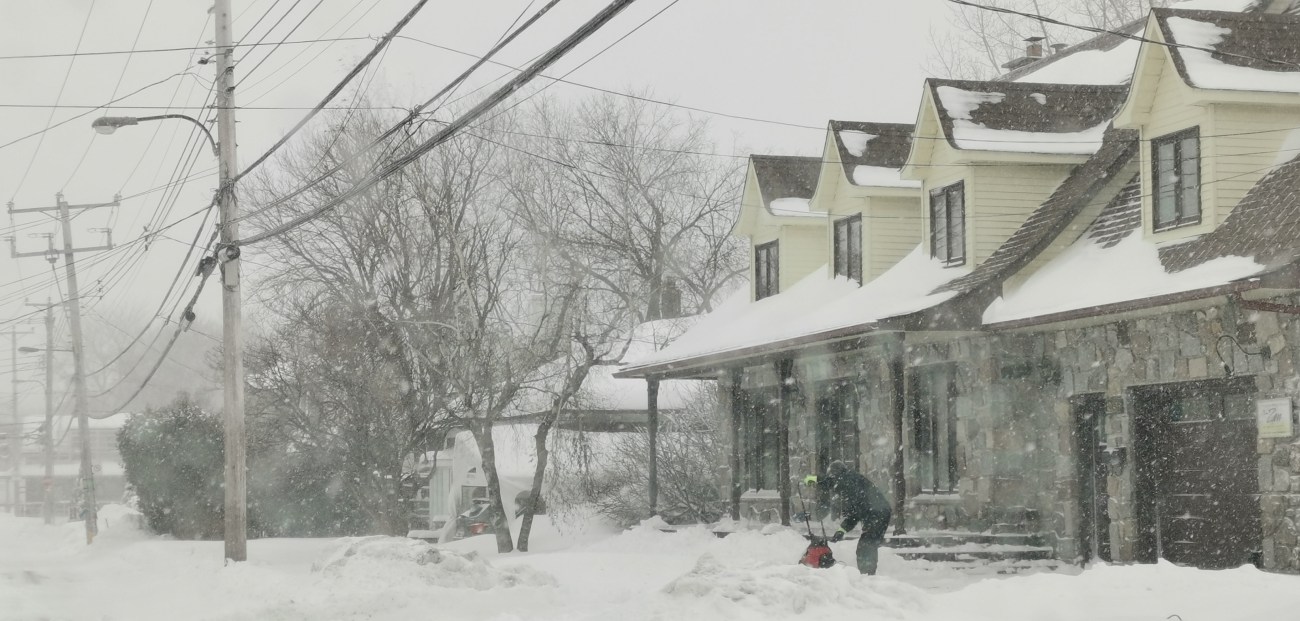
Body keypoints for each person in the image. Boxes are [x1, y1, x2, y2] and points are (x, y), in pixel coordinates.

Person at [803, 460, 892, 575]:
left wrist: (842, 530)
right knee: (868, 545)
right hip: (877, 513)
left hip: (877, 514)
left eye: (833, 476)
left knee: (866, 546)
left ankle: (868, 576)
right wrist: (841, 530)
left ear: (837, 474)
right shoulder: (848, 480)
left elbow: (854, 514)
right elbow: (832, 483)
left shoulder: (849, 482)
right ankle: (867, 574)